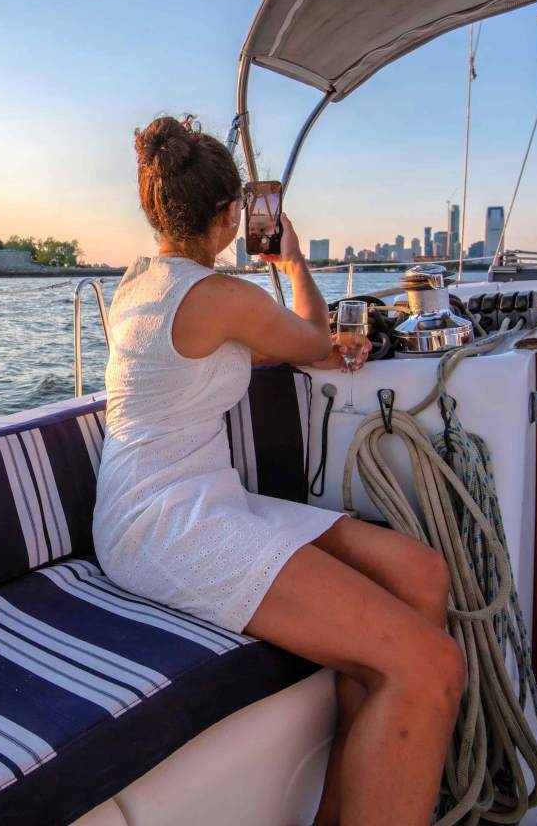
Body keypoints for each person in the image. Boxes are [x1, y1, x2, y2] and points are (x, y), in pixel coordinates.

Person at [95, 116, 464, 826]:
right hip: (164, 524)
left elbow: (207, 358)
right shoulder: (223, 297)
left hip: (196, 498)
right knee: (432, 666)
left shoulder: (141, 282)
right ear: (232, 216)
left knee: (419, 574)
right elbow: (319, 347)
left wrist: (277, 339)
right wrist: (291, 263)